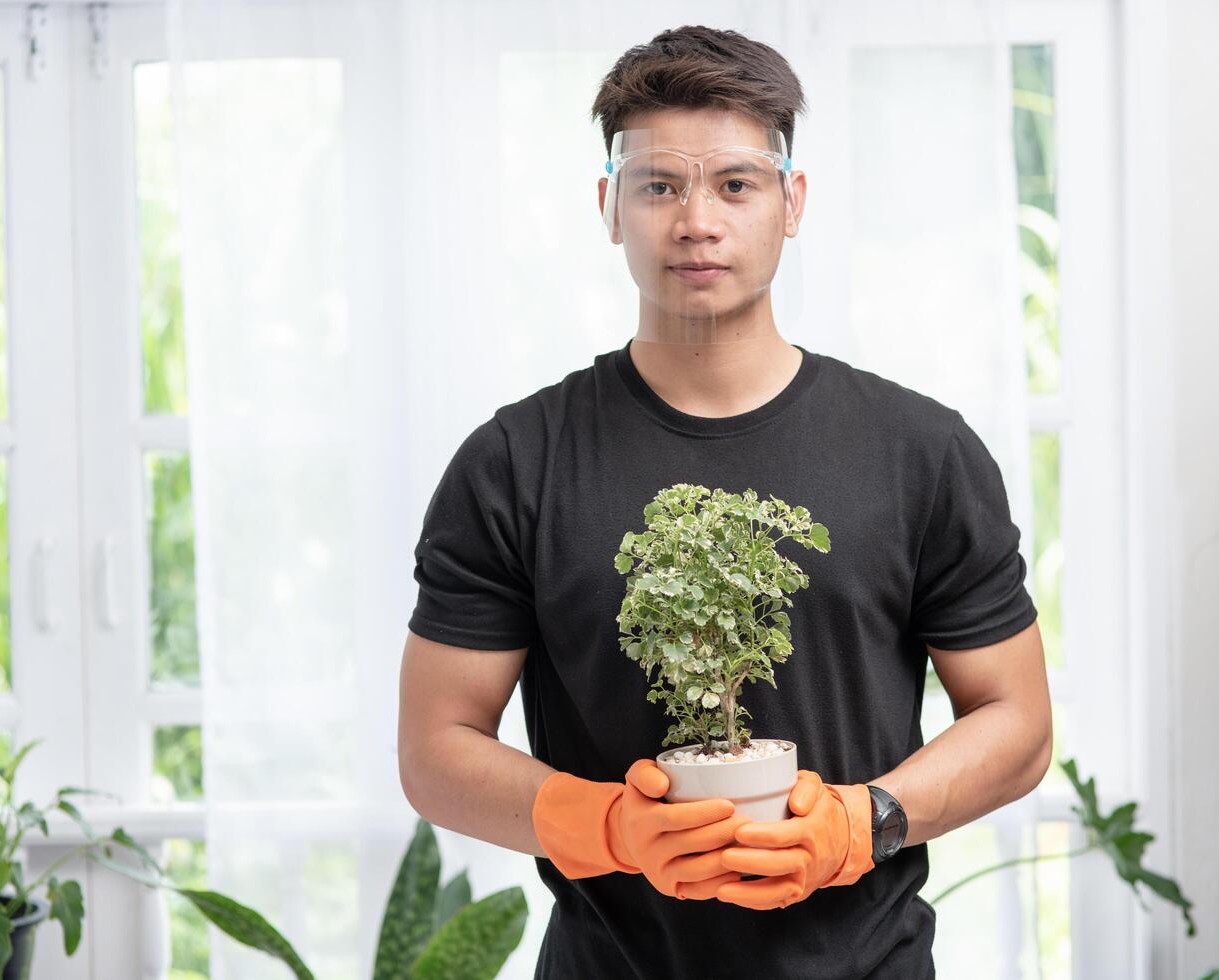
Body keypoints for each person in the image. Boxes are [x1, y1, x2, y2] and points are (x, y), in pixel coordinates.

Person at [397, 23, 1051, 980]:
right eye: (659, 184)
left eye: (735, 184)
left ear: (790, 202)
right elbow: (434, 748)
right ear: (610, 205)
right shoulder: (513, 462)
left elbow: (1016, 720)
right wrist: (610, 825)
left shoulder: (921, 450)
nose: (696, 220)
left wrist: (864, 822)